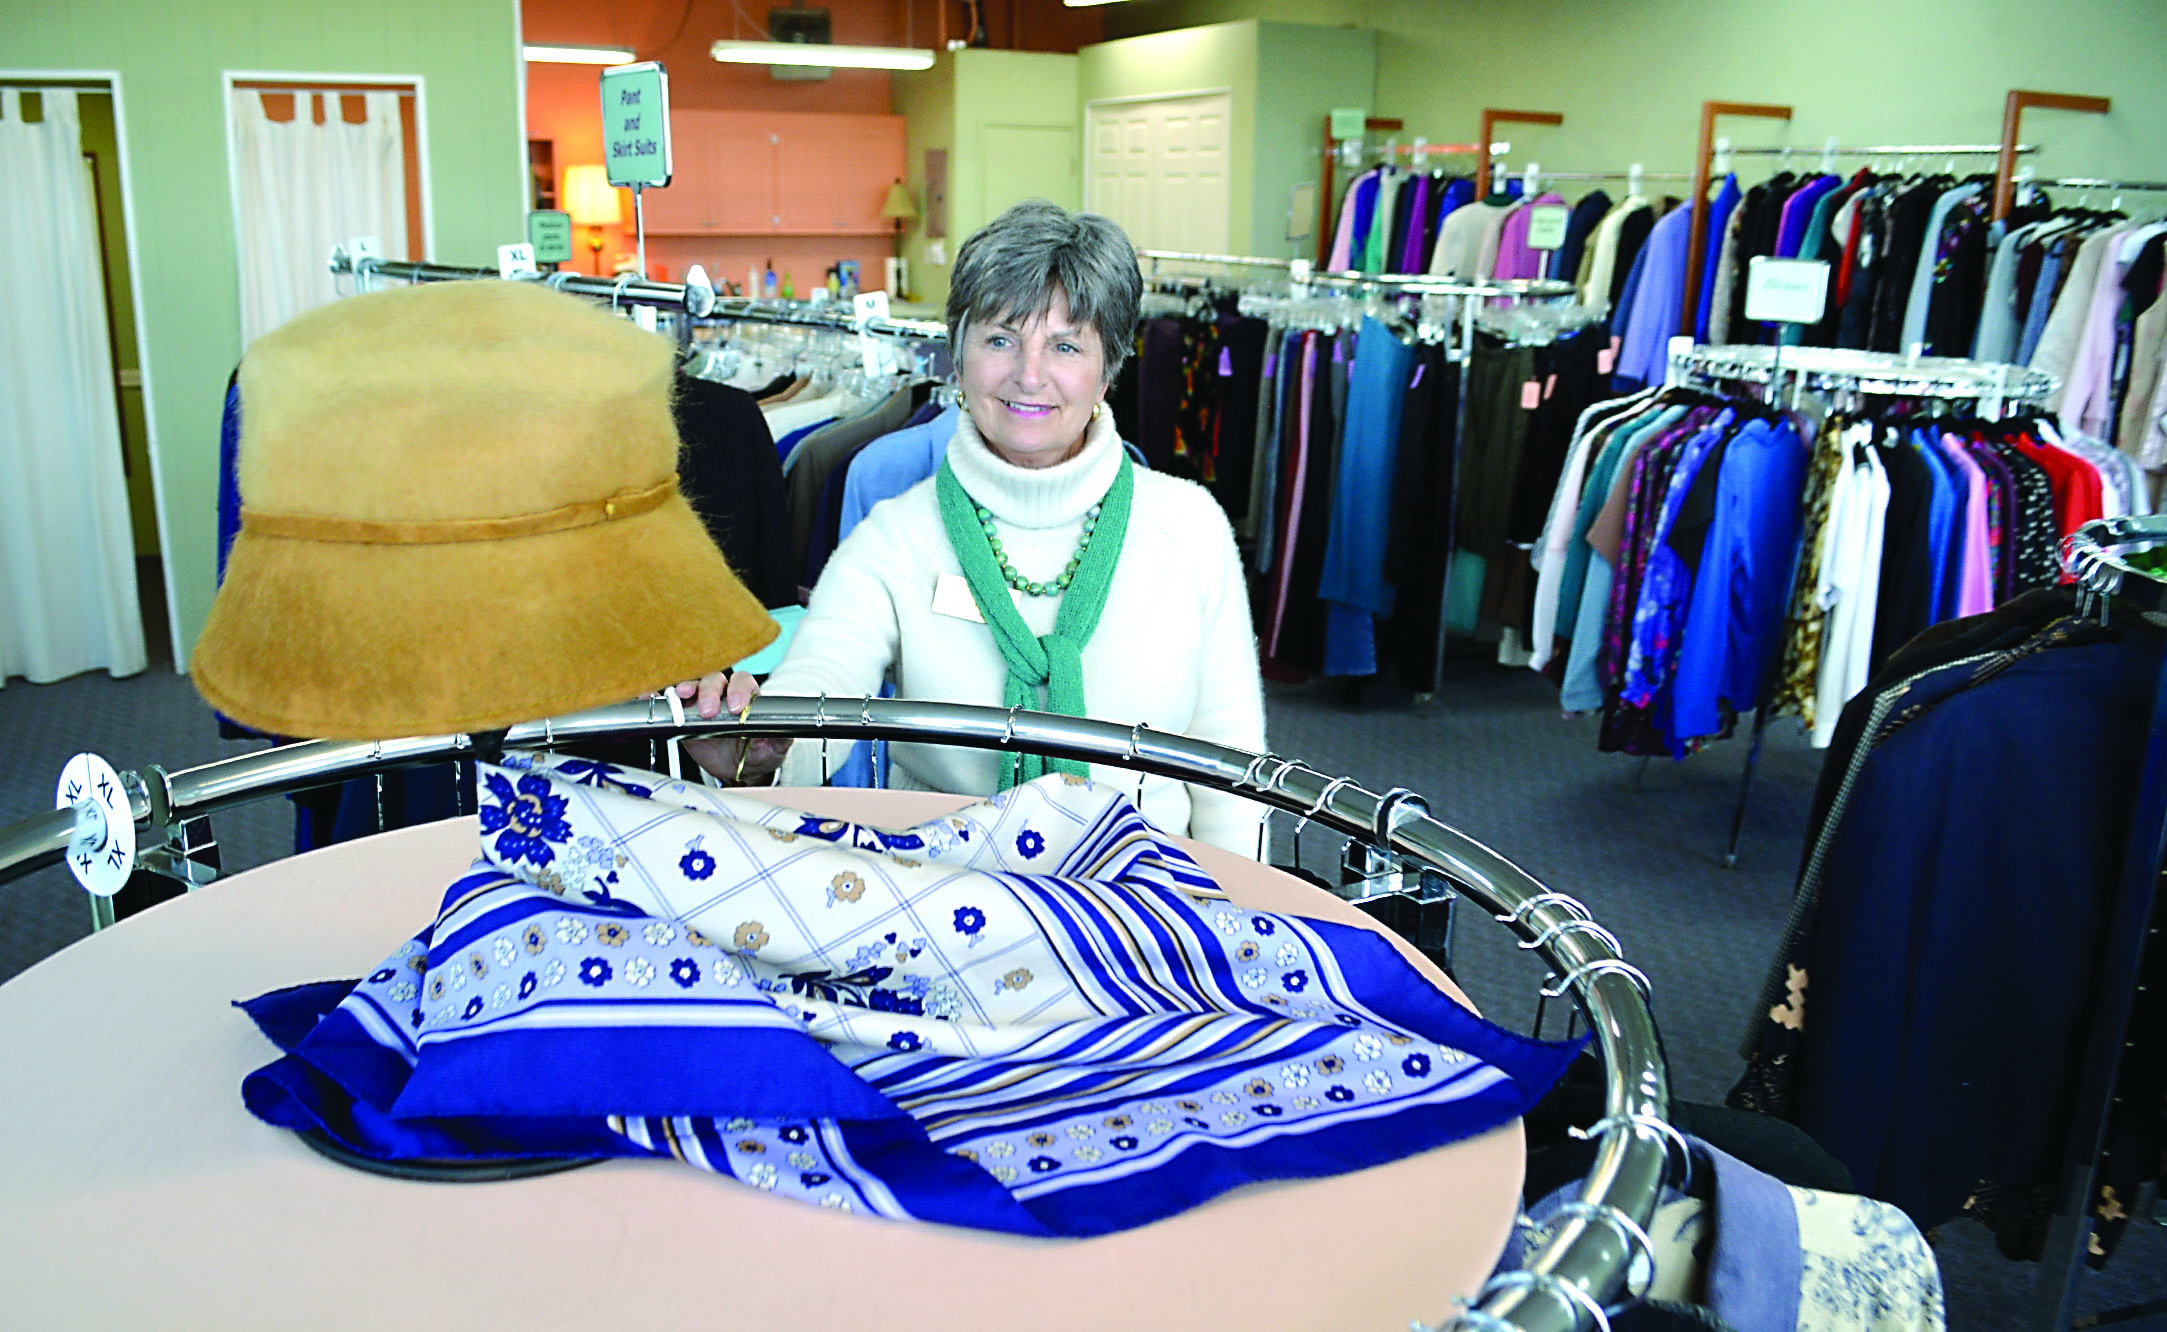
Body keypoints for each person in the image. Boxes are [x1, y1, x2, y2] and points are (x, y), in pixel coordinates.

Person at [681, 200, 1266, 855]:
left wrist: (1236, 920)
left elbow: (1230, 766)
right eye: (999, 338)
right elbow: (826, 673)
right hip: (948, 901)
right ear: (956, 356)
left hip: (1146, 906)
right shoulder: (896, 536)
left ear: (1108, 370)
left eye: (1065, 345)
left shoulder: (1188, 527)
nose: (1029, 374)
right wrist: (760, 745)